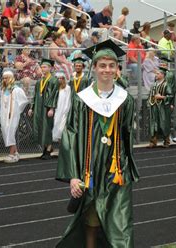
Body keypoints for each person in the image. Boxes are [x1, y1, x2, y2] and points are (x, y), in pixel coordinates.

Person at [56, 39, 139, 248]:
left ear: (117, 69)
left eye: (112, 65)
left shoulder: (125, 100)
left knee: (121, 222)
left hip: (116, 171)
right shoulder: (81, 100)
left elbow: (127, 136)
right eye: (102, 65)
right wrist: (74, 175)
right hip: (90, 170)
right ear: (93, 68)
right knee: (90, 220)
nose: (107, 69)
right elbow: (71, 137)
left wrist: (127, 168)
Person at [28, 58, 59, 160]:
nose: (43, 69)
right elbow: (35, 96)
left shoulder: (54, 80)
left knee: (47, 127)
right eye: (41, 67)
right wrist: (31, 107)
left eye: (45, 67)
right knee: (41, 128)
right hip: (38, 107)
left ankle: (49, 149)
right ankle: (44, 149)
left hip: (47, 108)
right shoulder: (39, 81)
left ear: (50, 68)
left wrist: (52, 108)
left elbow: (54, 95)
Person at [0, 70, 29, 163]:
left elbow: (24, 101)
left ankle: (11, 154)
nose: (5, 80)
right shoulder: (4, 90)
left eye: (7, 78)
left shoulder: (16, 90)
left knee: (10, 133)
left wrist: (17, 110)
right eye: (4, 78)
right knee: (5, 132)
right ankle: (16, 153)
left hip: (13, 115)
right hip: (4, 114)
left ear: (11, 78)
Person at [147, 67, 173, 148]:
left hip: (163, 108)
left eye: (158, 73)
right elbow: (150, 95)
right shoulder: (154, 84)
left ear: (162, 75)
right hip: (154, 107)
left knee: (163, 123)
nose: (156, 75)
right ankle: (153, 141)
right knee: (154, 124)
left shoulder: (166, 84)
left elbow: (171, 95)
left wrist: (161, 97)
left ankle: (166, 141)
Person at [52, 71, 71, 142]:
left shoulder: (67, 88)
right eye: (58, 78)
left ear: (64, 79)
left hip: (64, 110)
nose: (60, 80)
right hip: (57, 109)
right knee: (56, 124)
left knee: (62, 127)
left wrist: (66, 110)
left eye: (61, 78)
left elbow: (68, 100)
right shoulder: (56, 88)